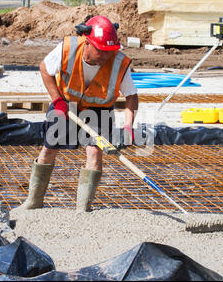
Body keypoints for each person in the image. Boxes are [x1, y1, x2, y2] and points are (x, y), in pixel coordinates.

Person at [22, 15, 139, 212]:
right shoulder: (67, 48)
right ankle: (33, 202)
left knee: (94, 151)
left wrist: (128, 125)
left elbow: (131, 96)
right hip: (66, 104)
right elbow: (45, 69)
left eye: (109, 52)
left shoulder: (119, 62)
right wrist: (57, 100)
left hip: (99, 109)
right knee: (49, 149)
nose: (105, 57)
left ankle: (83, 209)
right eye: (100, 51)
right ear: (87, 42)